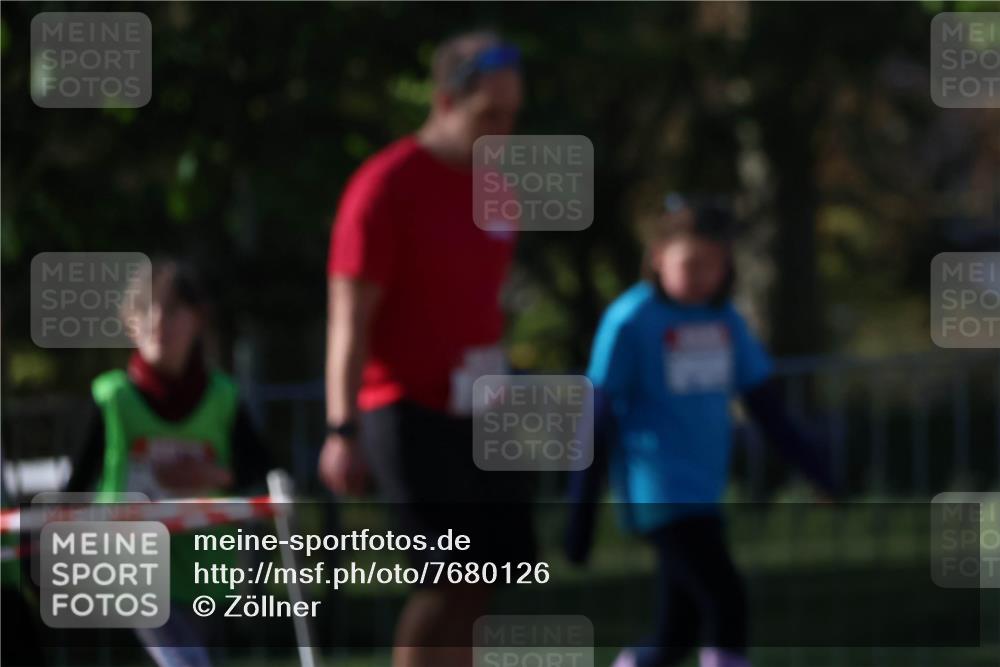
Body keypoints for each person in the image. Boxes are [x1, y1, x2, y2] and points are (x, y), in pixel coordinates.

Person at [320, 29, 534, 667]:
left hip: (485, 405)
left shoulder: (500, 185)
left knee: (491, 578)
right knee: (444, 580)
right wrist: (342, 427)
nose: (501, 131)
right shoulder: (384, 187)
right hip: (407, 408)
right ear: (444, 103)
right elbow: (348, 320)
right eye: (486, 116)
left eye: (511, 117)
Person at [566, 196, 838, 667]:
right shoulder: (631, 320)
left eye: (714, 264)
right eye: (692, 263)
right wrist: (580, 510)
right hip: (658, 490)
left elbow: (765, 405)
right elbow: (597, 412)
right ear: (658, 258)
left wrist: (815, 466)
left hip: (704, 489)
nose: (703, 275)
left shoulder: (724, 320)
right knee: (726, 600)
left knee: (677, 632)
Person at [66, 257, 270, 667]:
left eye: (173, 308)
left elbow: (263, 475)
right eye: (146, 309)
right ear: (129, 323)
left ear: (198, 319)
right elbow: (72, 490)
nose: (159, 320)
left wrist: (213, 475)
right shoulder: (111, 398)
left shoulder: (223, 398)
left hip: (207, 572)